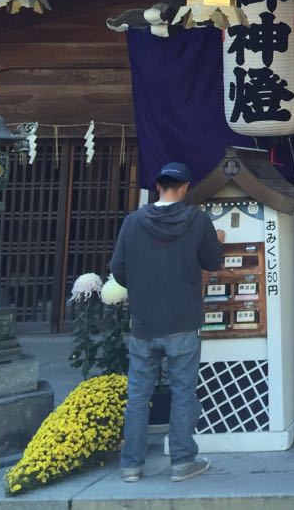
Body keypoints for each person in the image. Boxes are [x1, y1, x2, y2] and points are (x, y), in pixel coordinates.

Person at [109, 161, 222, 484]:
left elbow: (119, 270)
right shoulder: (198, 220)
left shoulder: (133, 222)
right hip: (183, 320)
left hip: (144, 323)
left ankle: (131, 465)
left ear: (158, 186)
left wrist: (143, 290)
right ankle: (183, 462)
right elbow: (213, 261)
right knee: (183, 392)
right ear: (185, 188)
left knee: (138, 396)